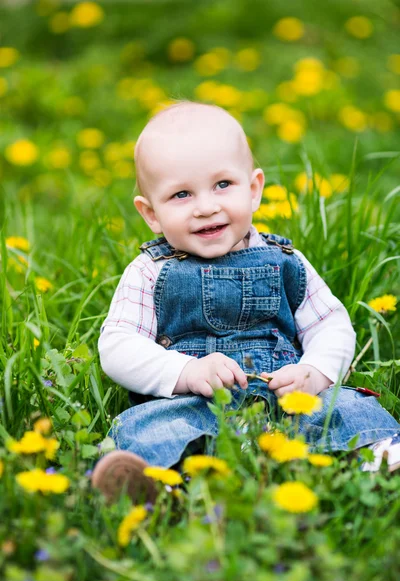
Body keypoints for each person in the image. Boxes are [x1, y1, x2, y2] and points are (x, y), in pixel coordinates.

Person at [92, 101, 400, 503]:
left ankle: (378, 457)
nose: (206, 206)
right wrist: (184, 371)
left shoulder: (285, 260)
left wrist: (315, 371)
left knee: (348, 408)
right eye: (182, 194)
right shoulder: (149, 271)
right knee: (150, 426)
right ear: (151, 214)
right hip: (195, 405)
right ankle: (161, 486)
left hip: (291, 398)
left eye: (223, 185)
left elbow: (330, 325)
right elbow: (117, 346)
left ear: (254, 189)